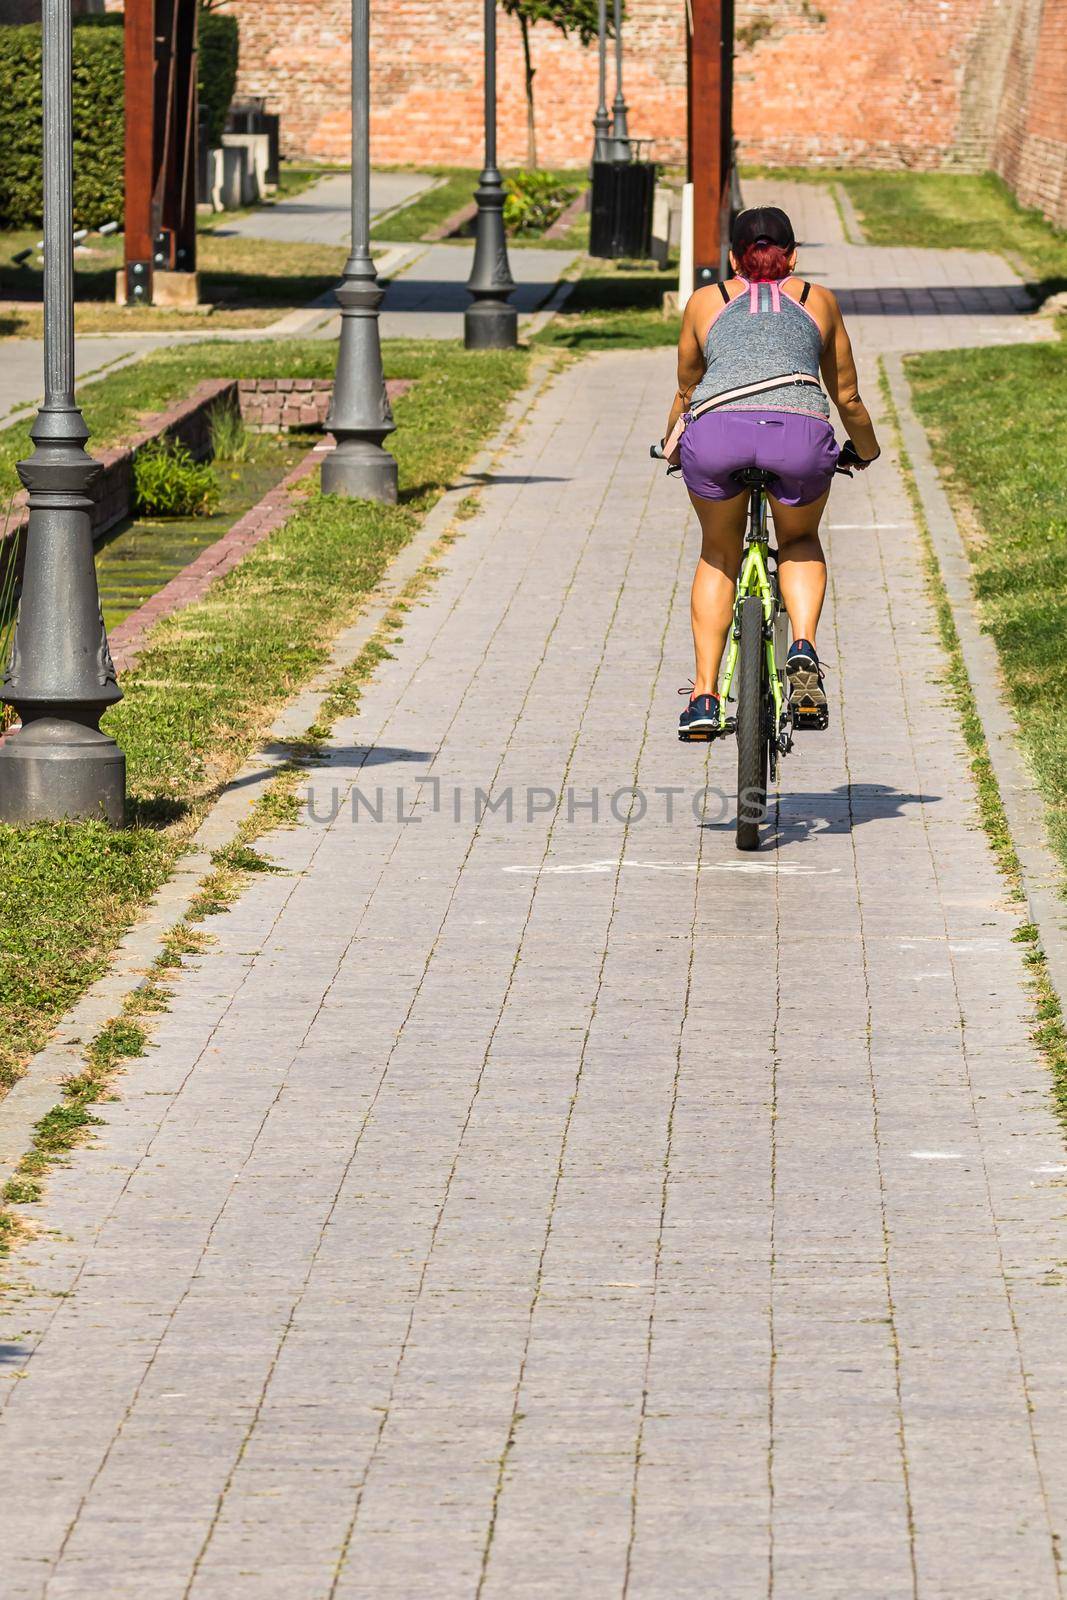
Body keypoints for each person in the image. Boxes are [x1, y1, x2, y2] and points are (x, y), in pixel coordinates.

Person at [666, 205, 880, 739]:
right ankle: (803, 647)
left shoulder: (703, 302)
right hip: (799, 439)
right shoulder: (819, 301)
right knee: (801, 537)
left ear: (733, 257)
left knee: (719, 551)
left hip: (717, 437)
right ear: (794, 256)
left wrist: (671, 446)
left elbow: (688, 391)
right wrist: (867, 451)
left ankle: (705, 695)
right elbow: (847, 396)